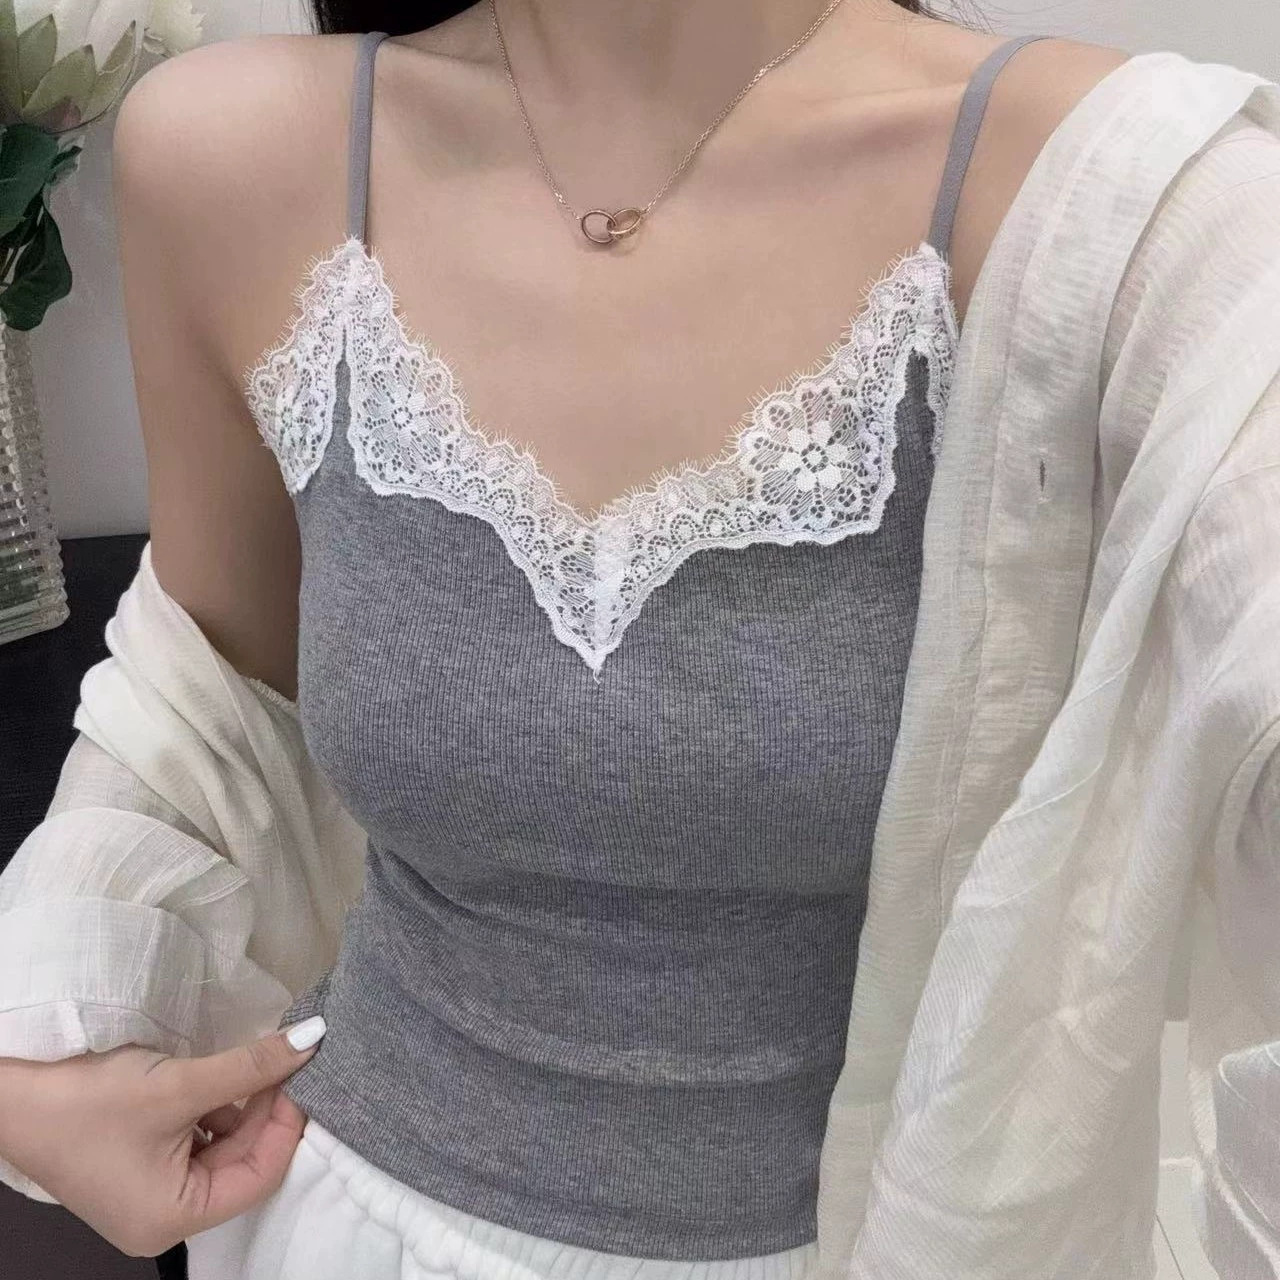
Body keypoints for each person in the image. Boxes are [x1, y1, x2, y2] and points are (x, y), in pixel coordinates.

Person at [2, 2, 1279, 1278]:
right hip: (345, 1217)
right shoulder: (236, 154)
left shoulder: (1139, 214)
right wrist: (44, 1021)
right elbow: (210, 705)